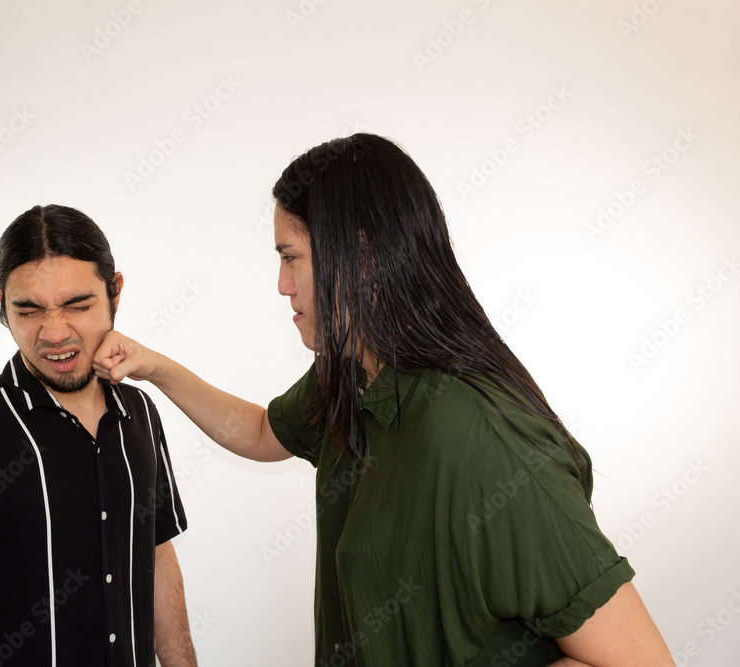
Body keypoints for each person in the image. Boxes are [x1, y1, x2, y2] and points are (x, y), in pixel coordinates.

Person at [93, 134, 674, 666]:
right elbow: (263, 432)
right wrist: (154, 368)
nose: (281, 284)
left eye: (291, 256)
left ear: (363, 256)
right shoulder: (351, 377)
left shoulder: (483, 442)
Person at [0, 204, 196, 667]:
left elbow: (157, 557)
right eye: (28, 309)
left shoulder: (140, 413)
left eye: (77, 304)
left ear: (115, 291)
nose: (54, 333)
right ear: (1, 304)